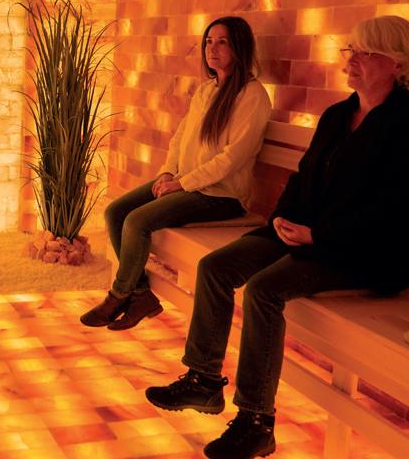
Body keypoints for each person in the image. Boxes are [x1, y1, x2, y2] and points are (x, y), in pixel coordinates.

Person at [144, 15, 409, 459]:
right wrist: (284, 217)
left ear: (398, 65)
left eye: (365, 53)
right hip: (305, 233)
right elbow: (303, 179)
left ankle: (256, 422)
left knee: (264, 290)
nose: (351, 60)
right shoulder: (339, 115)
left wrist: (317, 233)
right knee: (216, 267)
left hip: (363, 251)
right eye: (350, 50)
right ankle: (204, 381)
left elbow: (394, 209)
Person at [81, 17, 272, 330]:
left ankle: (119, 294)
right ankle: (140, 294)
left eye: (222, 42)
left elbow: (232, 159)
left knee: (137, 222)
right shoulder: (207, 90)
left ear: (239, 47)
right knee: (116, 211)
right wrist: (167, 173)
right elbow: (180, 138)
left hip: (220, 195)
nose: (212, 48)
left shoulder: (252, 96)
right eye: (209, 41)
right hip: (188, 183)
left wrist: (183, 183)